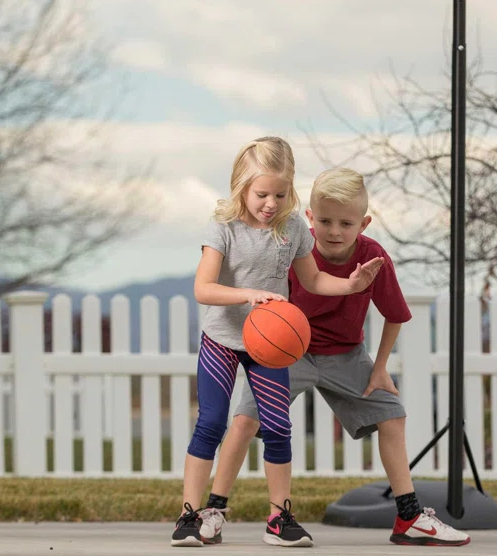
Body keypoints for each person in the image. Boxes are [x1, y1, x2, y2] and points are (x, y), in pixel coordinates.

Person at [200, 167, 471, 547]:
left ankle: (409, 517)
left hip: (346, 355)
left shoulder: (373, 256)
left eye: (346, 223)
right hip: (291, 353)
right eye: (325, 220)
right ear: (310, 217)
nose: (334, 231)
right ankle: (213, 510)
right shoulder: (295, 246)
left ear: (364, 222)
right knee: (244, 421)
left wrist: (378, 369)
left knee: (393, 415)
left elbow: (395, 315)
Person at [171, 140, 384, 548]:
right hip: (222, 341)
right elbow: (203, 288)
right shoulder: (222, 228)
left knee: (278, 428)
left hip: (267, 346)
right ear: (242, 188)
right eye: (262, 194)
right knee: (212, 423)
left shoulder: (292, 229)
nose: (271, 203)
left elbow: (313, 280)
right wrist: (249, 294)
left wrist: (351, 284)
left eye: (281, 194)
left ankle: (279, 518)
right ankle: (189, 517)